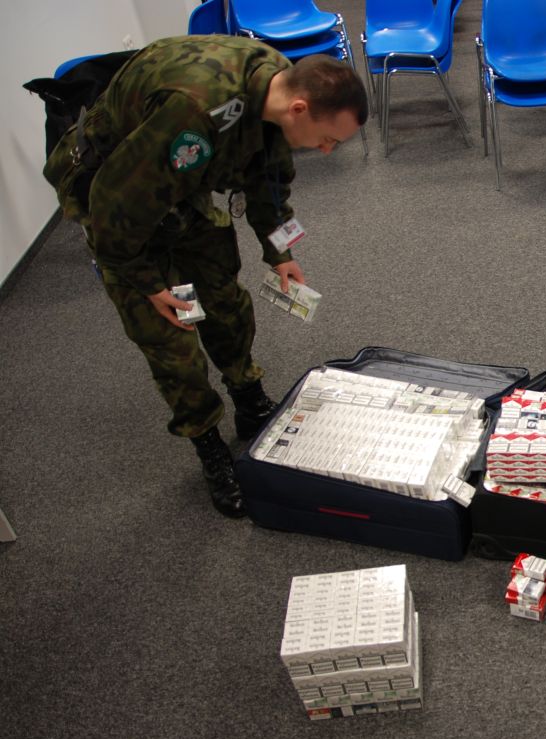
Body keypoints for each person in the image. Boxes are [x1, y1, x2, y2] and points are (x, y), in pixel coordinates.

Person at [42, 35, 368, 518]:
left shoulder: (278, 82)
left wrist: (279, 250)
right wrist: (148, 282)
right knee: (172, 338)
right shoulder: (194, 110)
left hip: (180, 187)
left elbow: (268, 176)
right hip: (118, 205)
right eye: (329, 139)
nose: (325, 150)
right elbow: (114, 203)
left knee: (225, 301)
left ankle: (248, 398)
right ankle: (208, 441)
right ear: (300, 108)